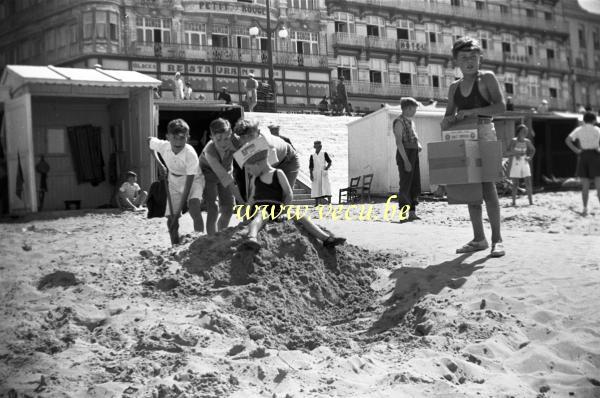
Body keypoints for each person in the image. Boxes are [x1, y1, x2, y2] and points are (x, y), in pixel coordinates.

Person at [441, 37, 506, 257]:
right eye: (464, 57)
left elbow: (500, 107)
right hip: (463, 135)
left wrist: (471, 112)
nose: (469, 61)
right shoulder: (454, 87)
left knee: (488, 186)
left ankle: (497, 239)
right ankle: (479, 238)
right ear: (456, 61)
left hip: (485, 131)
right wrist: (446, 121)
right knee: (470, 189)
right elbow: (448, 115)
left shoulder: (487, 78)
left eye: (473, 56)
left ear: (480, 58)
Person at [236, 143, 345, 251]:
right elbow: (252, 198)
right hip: (260, 209)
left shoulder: (278, 173)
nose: (249, 172)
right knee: (261, 214)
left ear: (257, 164)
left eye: (249, 169)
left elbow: (288, 193)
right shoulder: (255, 179)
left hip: (277, 210)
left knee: (300, 215)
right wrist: (246, 212)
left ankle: (326, 239)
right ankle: (252, 237)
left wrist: (285, 210)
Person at [148, 119, 205, 244]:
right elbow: (149, 141)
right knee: (170, 218)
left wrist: (178, 211)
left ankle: (200, 242)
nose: (178, 142)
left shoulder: (190, 154)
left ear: (188, 137)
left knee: (194, 206)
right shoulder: (163, 146)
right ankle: (175, 245)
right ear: (168, 137)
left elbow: (188, 186)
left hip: (193, 180)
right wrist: (159, 164)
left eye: (182, 138)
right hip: (173, 180)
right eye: (174, 137)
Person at [199, 118, 244, 235]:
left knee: (228, 208)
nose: (223, 143)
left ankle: (221, 235)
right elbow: (227, 180)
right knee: (213, 207)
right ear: (211, 137)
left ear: (231, 134)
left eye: (226, 138)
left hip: (226, 170)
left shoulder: (236, 141)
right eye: (218, 139)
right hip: (207, 173)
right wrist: (243, 202)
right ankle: (211, 238)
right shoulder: (210, 152)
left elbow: (249, 158)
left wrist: (238, 150)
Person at [234, 119, 300, 196]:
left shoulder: (267, 144)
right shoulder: (241, 142)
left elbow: (268, 172)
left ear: (258, 132)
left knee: (284, 195)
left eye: (251, 136)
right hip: (274, 160)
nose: (247, 140)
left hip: (289, 160)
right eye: (244, 137)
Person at [565, 111, 600, 216]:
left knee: (585, 186)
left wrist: (577, 151)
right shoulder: (597, 129)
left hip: (583, 155)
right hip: (595, 155)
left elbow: (567, 140)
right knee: (599, 185)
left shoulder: (579, 129)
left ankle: (585, 208)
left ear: (584, 120)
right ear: (594, 120)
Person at [393, 97, 422, 222]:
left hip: (414, 153)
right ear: (408, 108)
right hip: (405, 153)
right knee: (405, 184)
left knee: (415, 183)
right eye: (414, 109)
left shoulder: (411, 121)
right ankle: (404, 213)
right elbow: (399, 142)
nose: (415, 111)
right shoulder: (399, 121)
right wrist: (406, 161)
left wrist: (418, 146)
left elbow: (414, 138)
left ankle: (412, 212)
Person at [507, 124, 536, 206]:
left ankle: (531, 202)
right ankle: (513, 202)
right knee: (515, 183)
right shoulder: (514, 141)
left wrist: (529, 157)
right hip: (516, 162)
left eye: (526, 131)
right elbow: (507, 152)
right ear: (519, 132)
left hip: (524, 161)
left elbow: (533, 150)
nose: (525, 133)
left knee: (528, 181)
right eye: (523, 131)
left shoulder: (527, 141)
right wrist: (516, 153)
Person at [309, 141, 332, 205]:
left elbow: (329, 162)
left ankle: (329, 202)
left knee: (326, 186)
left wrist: (326, 168)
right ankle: (317, 203)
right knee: (316, 187)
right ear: (315, 147)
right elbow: (311, 166)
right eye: (317, 147)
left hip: (323, 172)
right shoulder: (312, 156)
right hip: (315, 172)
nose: (319, 148)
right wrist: (311, 175)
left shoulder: (324, 154)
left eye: (320, 147)